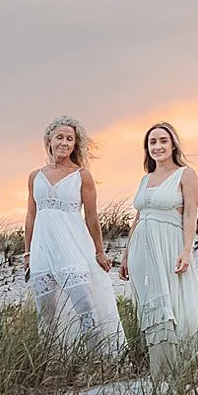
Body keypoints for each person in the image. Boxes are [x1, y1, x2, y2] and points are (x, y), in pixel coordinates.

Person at [24, 116, 126, 353]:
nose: (64, 143)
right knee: (46, 312)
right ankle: (51, 358)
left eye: (70, 139)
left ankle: (97, 357)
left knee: (85, 306)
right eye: (59, 137)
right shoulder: (34, 176)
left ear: (75, 144)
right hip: (42, 250)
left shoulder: (82, 176)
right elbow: (31, 215)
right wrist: (28, 251)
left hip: (72, 246)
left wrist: (100, 251)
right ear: (49, 140)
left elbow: (91, 217)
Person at [120, 122, 198, 377]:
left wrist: (186, 251)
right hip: (141, 250)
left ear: (173, 144)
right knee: (151, 305)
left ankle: (186, 368)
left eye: (162, 141)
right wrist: (125, 254)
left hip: (169, 245)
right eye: (152, 142)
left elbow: (190, 215)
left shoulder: (186, 175)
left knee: (174, 301)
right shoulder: (146, 179)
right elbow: (138, 217)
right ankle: (161, 368)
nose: (157, 146)